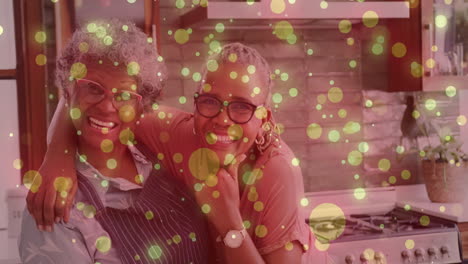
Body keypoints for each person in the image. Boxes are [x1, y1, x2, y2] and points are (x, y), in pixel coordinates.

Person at [27, 43, 331, 262]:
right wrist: (57, 158)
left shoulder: (275, 170)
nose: (222, 119)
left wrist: (228, 220)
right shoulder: (177, 134)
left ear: (263, 116)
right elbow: (91, 103)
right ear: (196, 101)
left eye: (241, 107)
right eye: (210, 101)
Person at [19, 20, 210, 264]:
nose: (107, 107)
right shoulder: (55, 205)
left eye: (123, 96)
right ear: (68, 92)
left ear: (141, 107)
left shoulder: (161, 155)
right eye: (93, 89)